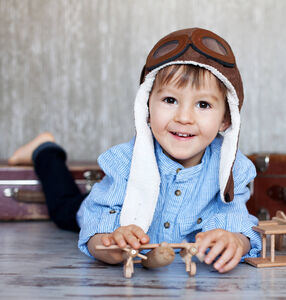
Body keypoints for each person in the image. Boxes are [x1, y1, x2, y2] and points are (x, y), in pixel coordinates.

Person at [8, 28, 261, 273]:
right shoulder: (125, 160)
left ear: (227, 119)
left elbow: (236, 219)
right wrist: (109, 243)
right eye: (170, 100)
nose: (184, 117)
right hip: (101, 207)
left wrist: (237, 241)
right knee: (65, 209)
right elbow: (96, 224)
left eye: (203, 104)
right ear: (147, 107)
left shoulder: (231, 169)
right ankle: (44, 149)